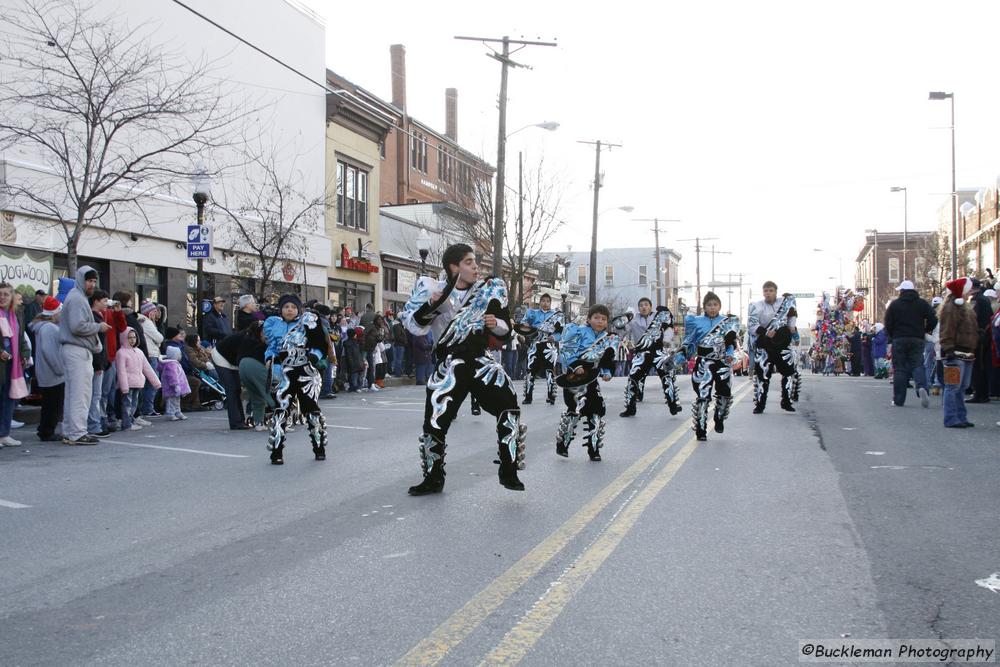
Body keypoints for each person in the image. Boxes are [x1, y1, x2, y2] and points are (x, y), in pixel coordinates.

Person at [401, 243, 524, 494]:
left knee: (509, 405)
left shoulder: (487, 291)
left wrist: (496, 323)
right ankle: (433, 478)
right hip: (450, 365)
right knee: (434, 422)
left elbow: (505, 329)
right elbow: (415, 327)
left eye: (475, 262)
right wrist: (432, 305)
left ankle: (508, 468)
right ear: (453, 267)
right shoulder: (433, 291)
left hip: (481, 361)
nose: (476, 267)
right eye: (469, 262)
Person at [263, 293, 329, 465]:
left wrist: (313, 357)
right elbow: (272, 348)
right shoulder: (274, 325)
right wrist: (269, 360)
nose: (289, 310)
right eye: (286, 307)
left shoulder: (307, 322)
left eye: (293, 307)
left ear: (298, 309)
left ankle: (319, 448)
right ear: (281, 309)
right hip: (283, 373)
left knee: (311, 410)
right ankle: (276, 453)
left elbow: (321, 344)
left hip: (305, 372)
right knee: (280, 410)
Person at [554, 304, 619, 461]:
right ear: (589, 319)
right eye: (596, 318)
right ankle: (563, 443)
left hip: (591, 379)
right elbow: (567, 351)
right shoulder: (578, 331)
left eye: (603, 319)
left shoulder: (609, 338)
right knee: (575, 410)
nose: (600, 321)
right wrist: (576, 366)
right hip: (574, 379)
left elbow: (606, 360)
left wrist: (607, 373)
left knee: (597, 410)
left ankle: (594, 449)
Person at [681, 292, 740, 441]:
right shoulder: (695, 321)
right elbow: (689, 340)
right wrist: (682, 354)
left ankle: (719, 418)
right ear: (704, 307)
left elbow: (731, 342)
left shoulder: (727, 322)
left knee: (725, 394)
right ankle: (701, 429)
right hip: (703, 362)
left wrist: (730, 353)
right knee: (703, 395)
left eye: (715, 305)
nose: (712, 308)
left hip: (722, 362)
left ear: (719, 306)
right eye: (709, 305)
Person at [58, 267, 107, 446]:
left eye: (94, 281)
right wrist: (98, 327)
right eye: (89, 281)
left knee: (73, 393)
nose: (92, 284)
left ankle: (70, 430)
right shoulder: (78, 299)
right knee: (81, 393)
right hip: (77, 350)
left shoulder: (76, 297)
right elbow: (77, 326)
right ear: (81, 280)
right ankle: (77, 432)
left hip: (74, 350)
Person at [619, 299, 681, 418]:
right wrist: (624, 320)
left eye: (646, 305)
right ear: (638, 308)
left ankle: (673, 405)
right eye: (641, 305)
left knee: (666, 377)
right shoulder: (633, 319)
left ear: (650, 307)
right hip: (641, 353)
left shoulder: (658, 317)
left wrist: (666, 340)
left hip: (658, 352)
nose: (643, 307)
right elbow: (623, 331)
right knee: (633, 378)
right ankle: (630, 408)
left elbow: (669, 328)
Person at [884, 280, 937, 407]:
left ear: (901, 291)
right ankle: (922, 388)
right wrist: (925, 330)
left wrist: (892, 336)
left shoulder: (895, 305)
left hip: (899, 338)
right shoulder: (922, 304)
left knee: (900, 368)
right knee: (918, 365)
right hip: (917, 338)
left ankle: (899, 399)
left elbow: (888, 323)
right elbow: (933, 319)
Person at [746, 282, 798, 414]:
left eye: (770, 290)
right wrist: (765, 332)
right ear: (763, 292)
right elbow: (751, 326)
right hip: (765, 344)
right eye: (766, 291)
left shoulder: (785, 302)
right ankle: (760, 404)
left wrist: (793, 331)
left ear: (776, 291)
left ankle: (786, 402)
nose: (768, 293)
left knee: (788, 372)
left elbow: (792, 317)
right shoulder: (756, 306)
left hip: (782, 344)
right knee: (762, 376)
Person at [939, 278, 979, 428]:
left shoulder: (964, 307)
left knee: (962, 387)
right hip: (954, 353)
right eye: (967, 289)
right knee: (953, 386)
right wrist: (948, 349)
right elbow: (947, 330)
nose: (970, 291)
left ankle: (960, 416)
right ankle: (951, 418)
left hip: (967, 353)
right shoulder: (951, 308)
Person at [0, 283, 32, 447]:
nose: (3, 297)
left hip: (13, 364)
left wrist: (25, 355)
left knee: (9, 399)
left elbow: (21, 340)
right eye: (0, 294)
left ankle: (4, 434)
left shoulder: (15, 315)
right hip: (1, 362)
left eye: (6, 294)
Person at [30, 297, 65, 441]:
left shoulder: (43, 327)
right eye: (60, 311)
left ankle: (45, 429)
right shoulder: (49, 328)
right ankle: (47, 431)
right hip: (52, 373)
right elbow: (49, 351)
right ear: (54, 313)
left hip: (47, 371)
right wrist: (59, 369)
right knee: (53, 404)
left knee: (49, 404)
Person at [518, 293, 562, 405]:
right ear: (540, 302)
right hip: (535, 344)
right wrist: (526, 325)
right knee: (530, 370)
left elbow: (561, 331)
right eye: (543, 301)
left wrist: (555, 337)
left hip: (549, 346)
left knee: (550, 371)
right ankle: (528, 397)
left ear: (550, 303)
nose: (545, 303)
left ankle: (551, 396)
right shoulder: (532, 313)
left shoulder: (556, 315)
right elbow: (523, 324)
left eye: (547, 301)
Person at [116, 327, 161, 431]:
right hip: (127, 384)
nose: (132, 340)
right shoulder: (121, 353)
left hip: (138, 383)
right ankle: (127, 424)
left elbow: (147, 368)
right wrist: (124, 386)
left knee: (134, 405)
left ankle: (130, 422)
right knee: (127, 405)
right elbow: (121, 371)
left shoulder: (139, 352)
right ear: (123, 338)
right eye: (129, 338)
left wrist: (156, 382)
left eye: (134, 337)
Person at [235, 322, 272, 430]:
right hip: (255, 367)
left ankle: (259, 423)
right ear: (260, 332)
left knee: (256, 396)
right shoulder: (261, 345)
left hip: (242, 367)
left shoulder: (248, 340)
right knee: (270, 393)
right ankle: (280, 417)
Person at [968, 279, 993, 403]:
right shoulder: (983, 299)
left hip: (978, 335)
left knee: (978, 365)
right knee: (981, 365)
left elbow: (973, 318)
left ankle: (979, 393)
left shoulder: (976, 300)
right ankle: (982, 393)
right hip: (984, 335)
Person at [137, 301, 164, 416]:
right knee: (153, 382)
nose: (156, 313)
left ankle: (146, 407)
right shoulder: (147, 322)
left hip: (149, 353)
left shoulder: (142, 321)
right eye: (154, 311)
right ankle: (148, 408)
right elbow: (159, 338)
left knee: (148, 383)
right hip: (151, 354)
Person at [159, 346, 190, 421]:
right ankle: (170, 413)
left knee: (176, 400)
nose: (180, 356)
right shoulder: (171, 365)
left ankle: (177, 412)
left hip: (176, 387)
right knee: (171, 401)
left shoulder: (175, 363)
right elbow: (172, 376)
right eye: (179, 354)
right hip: (172, 387)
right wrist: (175, 385)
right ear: (175, 355)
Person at [342, 327, 365, 391]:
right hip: (354, 361)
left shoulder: (353, 342)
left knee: (354, 374)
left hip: (354, 361)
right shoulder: (353, 343)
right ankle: (354, 386)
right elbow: (351, 354)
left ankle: (354, 386)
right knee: (354, 375)